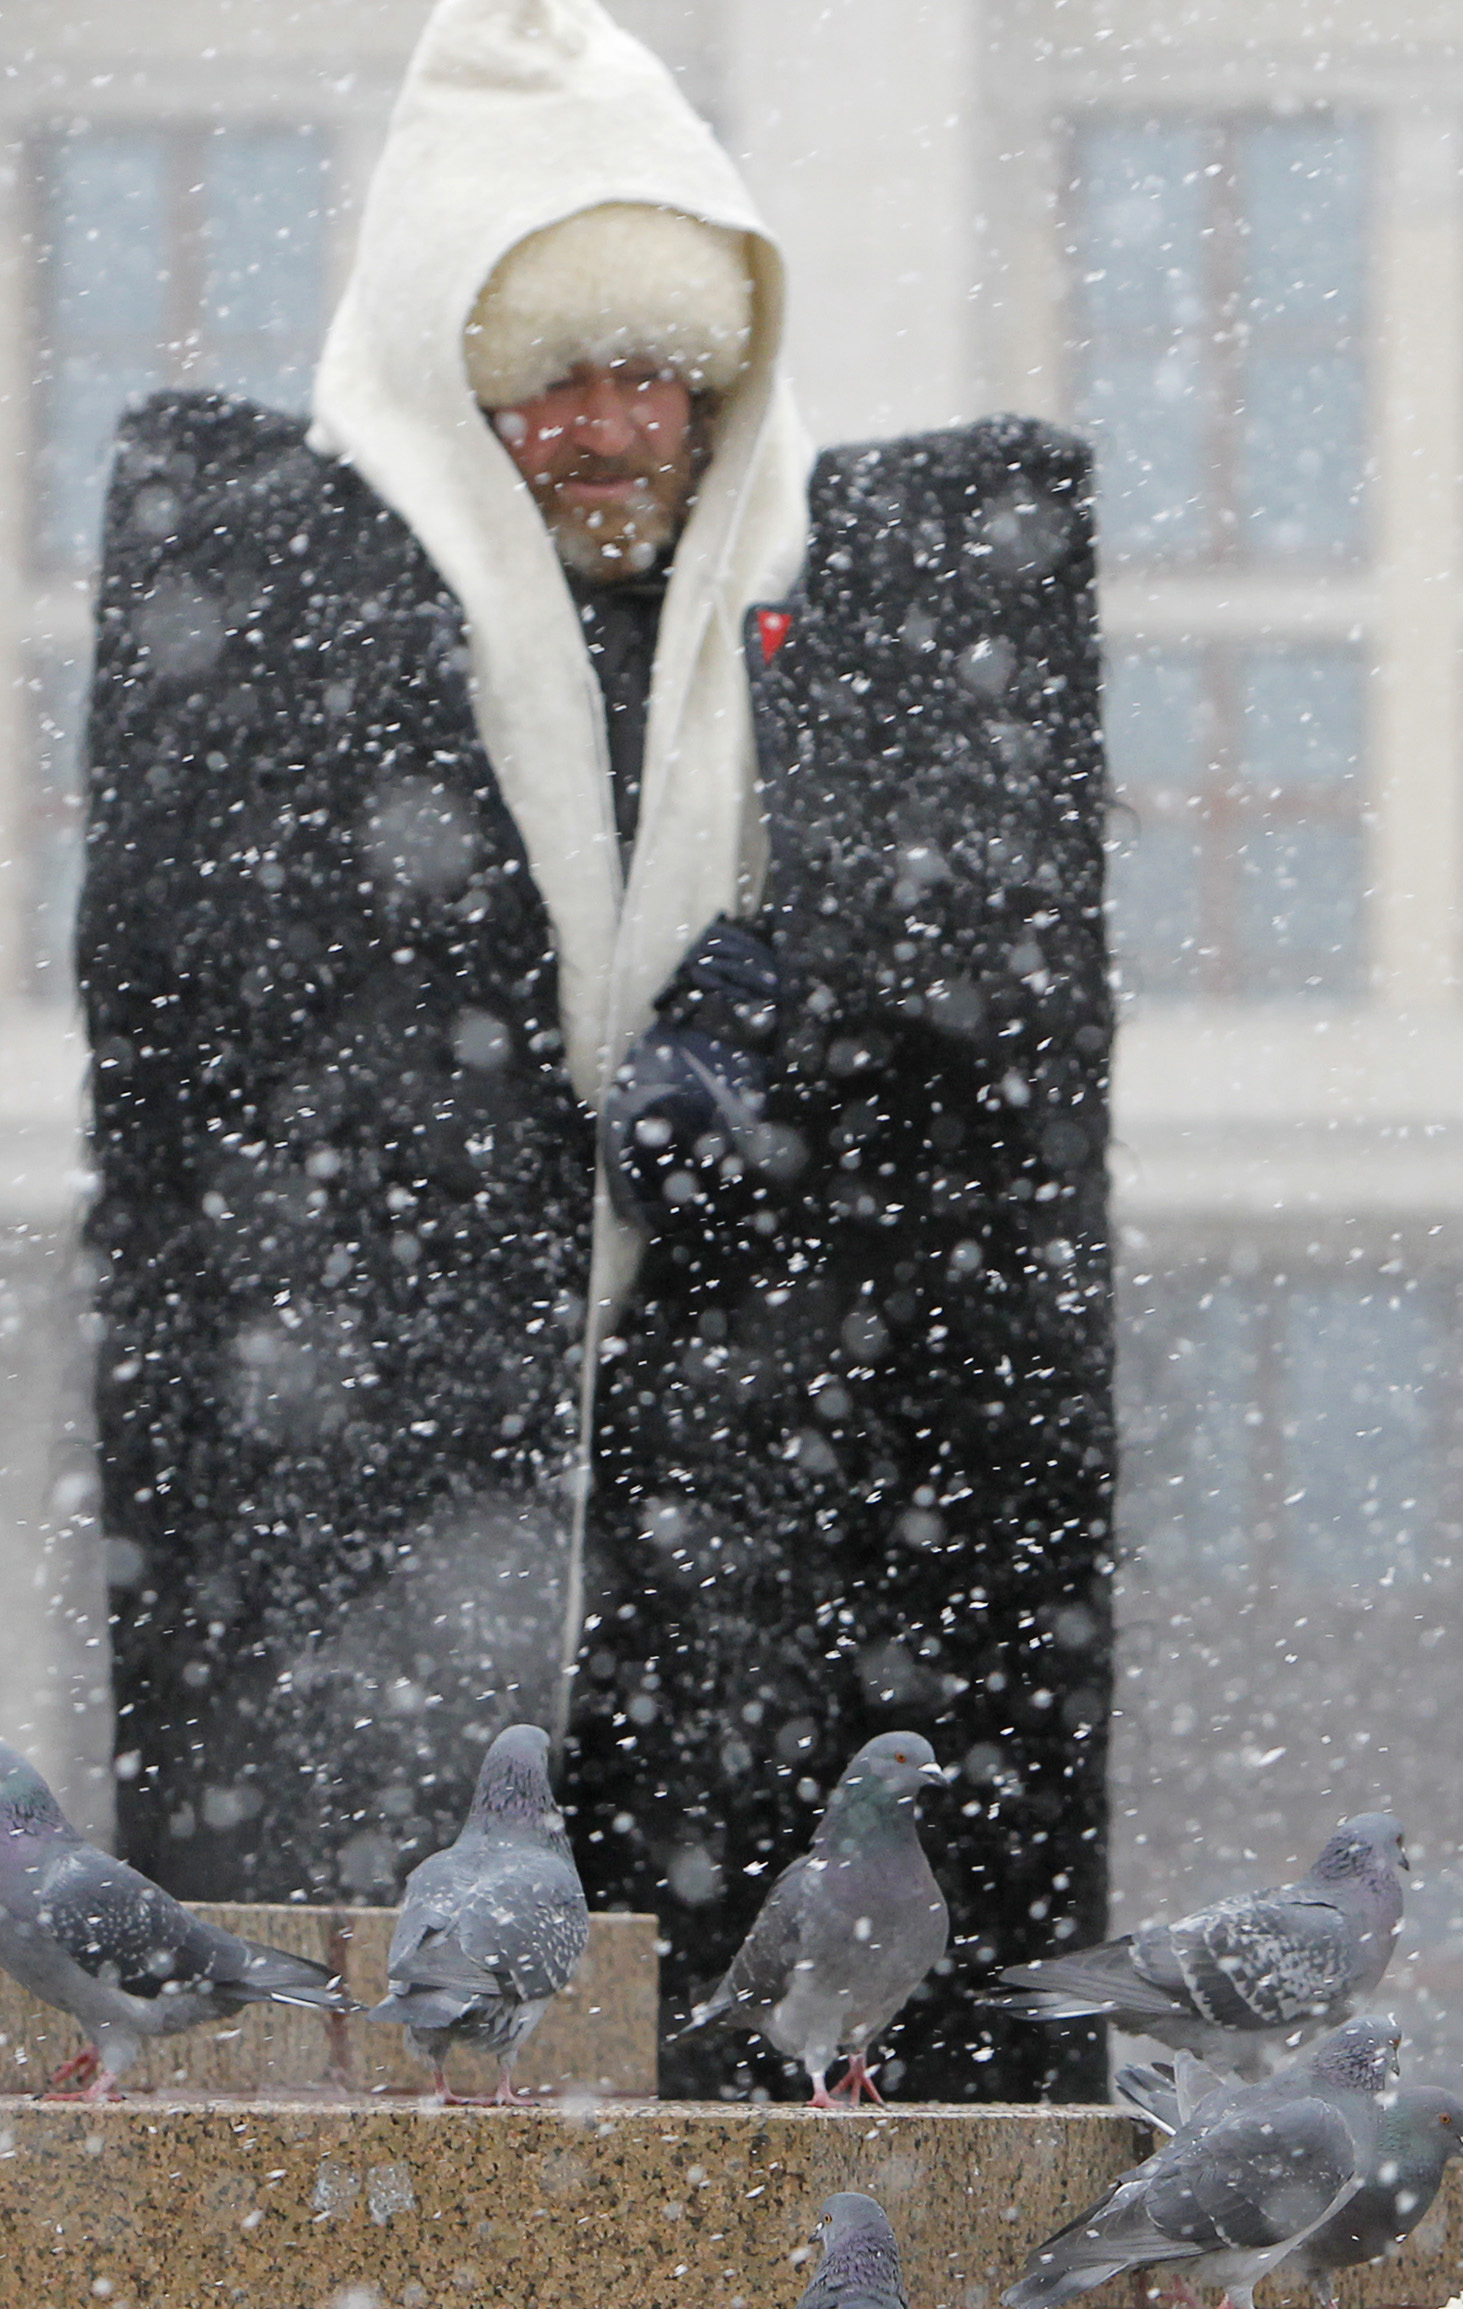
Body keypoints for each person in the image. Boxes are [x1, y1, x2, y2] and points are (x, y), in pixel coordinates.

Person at [80, 0, 1112, 2103]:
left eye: (657, 376)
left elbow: (963, 989)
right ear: (456, 392)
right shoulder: (321, 659)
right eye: (555, 379)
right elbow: (242, 1030)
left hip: (752, 1519)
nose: (612, 429)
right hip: (416, 1522)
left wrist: (780, 1026)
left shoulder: (826, 647)